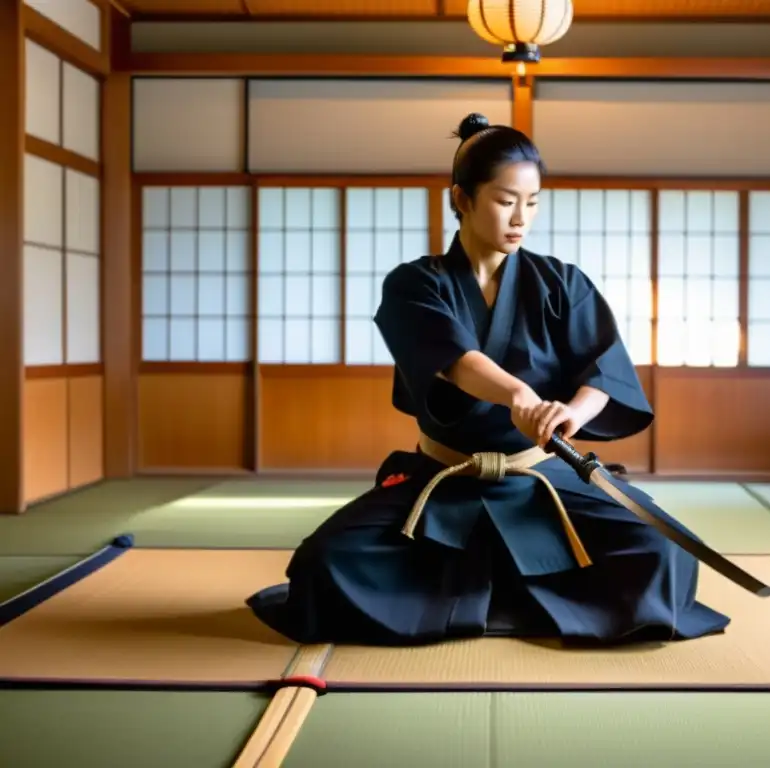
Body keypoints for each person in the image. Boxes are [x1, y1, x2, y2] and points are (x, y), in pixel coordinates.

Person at [246, 113, 731, 647]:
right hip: (447, 477)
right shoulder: (414, 283)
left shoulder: (561, 283)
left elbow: (605, 370)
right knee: (325, 563)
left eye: (533, 201)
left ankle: (482, 596)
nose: (521, 217)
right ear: (461, 198)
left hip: (544, 477)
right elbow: (456, 360)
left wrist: (572, 413)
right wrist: (520, 395)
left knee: (665, 552)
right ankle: (514, 597)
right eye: (505, 200)